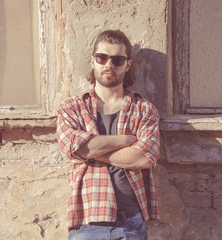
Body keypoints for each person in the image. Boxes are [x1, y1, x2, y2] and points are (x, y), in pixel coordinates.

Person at [56, 29, 160, 240]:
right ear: (93, 61)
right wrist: (123, 141)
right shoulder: (72, 108)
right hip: (88, 220)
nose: (109, 65)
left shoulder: (144, 109)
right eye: (102, 57)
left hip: (132, 219)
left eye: (117, 59)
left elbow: (144, 157)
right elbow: (72, 147)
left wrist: (89, 152)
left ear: (127, 65)